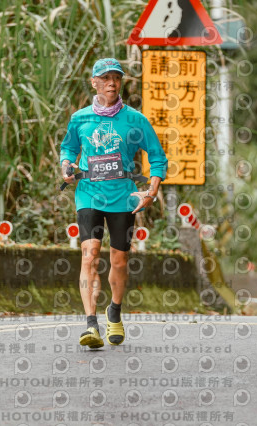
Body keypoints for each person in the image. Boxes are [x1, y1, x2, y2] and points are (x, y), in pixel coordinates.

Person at [59, 58, 168, 348]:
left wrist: (151, 191)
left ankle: (115, 311)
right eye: (105, 78)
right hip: (89, 194)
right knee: (90, 256)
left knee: (119, 260)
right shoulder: (80, 118)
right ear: (93, 82)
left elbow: (157, 158)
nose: (111, 83)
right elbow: (68, 148)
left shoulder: (135, 120)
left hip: (123, 197)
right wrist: (66, 166)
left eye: (116, 78)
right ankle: (91, 324)